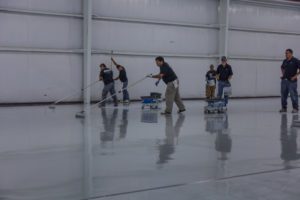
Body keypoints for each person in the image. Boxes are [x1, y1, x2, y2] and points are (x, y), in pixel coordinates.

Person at [280, 49, 300, 113]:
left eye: (287, 53)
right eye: (285, 53)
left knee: (293, 95)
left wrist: (294, 77)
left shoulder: (296, 61)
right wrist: (283, 74)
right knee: (283, 95)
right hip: (284, 81)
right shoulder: (285, 61)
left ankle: (295, 108)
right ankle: (284, 108)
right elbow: (282, 67)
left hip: (292, 82)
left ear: (291, 54)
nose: (286, 54)